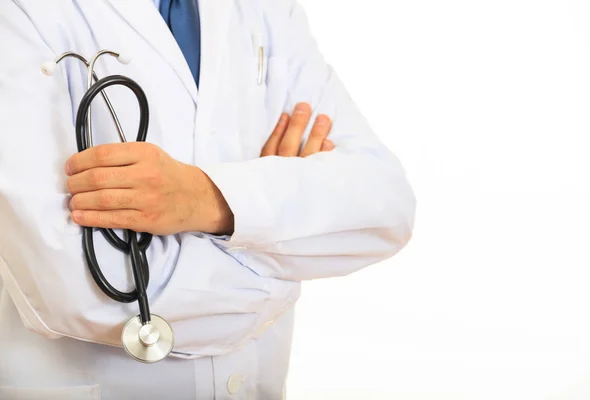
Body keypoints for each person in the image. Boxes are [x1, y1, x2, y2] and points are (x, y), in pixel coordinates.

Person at [0, 0, 416, 398]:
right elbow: (72, 288)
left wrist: (205, 198)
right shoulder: (18, 11)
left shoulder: (265, 8)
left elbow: (385, 203)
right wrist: (281, 246)